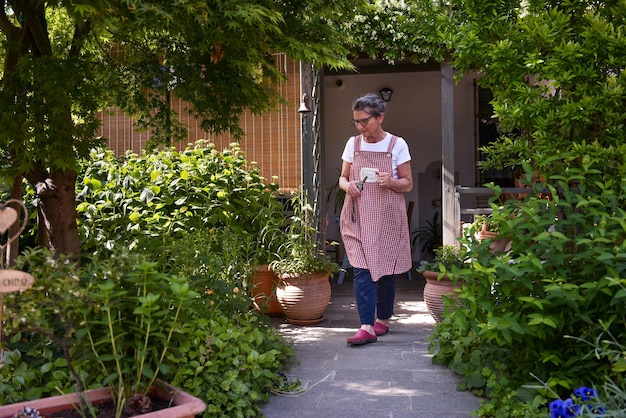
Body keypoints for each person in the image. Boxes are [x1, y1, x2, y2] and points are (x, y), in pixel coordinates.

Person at [339, 93, 413, 346]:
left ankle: (383, 319)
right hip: (358, 214)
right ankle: (366, 326)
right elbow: (342, 178)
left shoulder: (397, 144)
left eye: (365, 121)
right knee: (362, 268)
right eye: (356, 122)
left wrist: (391, 182)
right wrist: (347, 186)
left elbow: (407, 183)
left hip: (387, 216)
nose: (361, 126)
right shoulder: (353, 144)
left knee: (385, 270)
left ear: (380, 118)